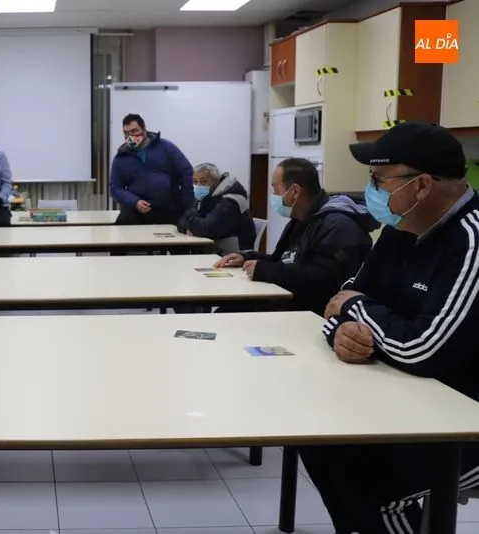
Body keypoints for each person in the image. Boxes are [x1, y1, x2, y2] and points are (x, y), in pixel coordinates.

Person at [305, 122, 479, 533]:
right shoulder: (402, 228)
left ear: (421, 186)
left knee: (375, 487)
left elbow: (421, 349)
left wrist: (358, 311)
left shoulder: (470, 241)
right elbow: (338, 303)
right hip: (408, 399)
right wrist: (342, 333)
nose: (371, 191)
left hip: (464, 417)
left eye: (378, 180)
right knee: (318, 440)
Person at [214, 157, 378, 316]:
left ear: (295, 191)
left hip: (313, 313)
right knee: (227, 310)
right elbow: (284, 261)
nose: (274, 196)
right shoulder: (300, 220)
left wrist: (266, 270)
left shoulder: (339, 226)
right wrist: (248, 257)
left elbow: (323, 282)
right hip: (291, 300)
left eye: (276, 190)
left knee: (228, 314)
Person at [110, 113, 194, 225]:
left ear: (144, 130)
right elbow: (115, 188)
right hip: (137, 209)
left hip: (169, 207)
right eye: (126, 133)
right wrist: (135, 202)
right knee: (123, 226)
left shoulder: (166, 147)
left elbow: (186, 171)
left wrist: (188, 206)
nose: (130, 136)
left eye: (134, 131)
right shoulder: (121, 158)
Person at [177, 162, 256, 253]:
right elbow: (181, 222)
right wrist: (191, 226)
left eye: (203, 182)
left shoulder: (230, 201)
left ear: (216, 182)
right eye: (195, 182)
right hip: (213, 247)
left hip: (233, 252)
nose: (198, 185)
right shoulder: (206, 196)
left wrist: (190, 222)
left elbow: (206, 229)